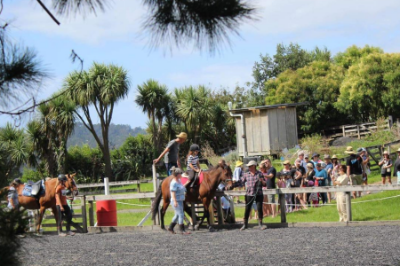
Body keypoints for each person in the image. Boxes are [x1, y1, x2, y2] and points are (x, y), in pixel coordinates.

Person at [240, 160, 266, 231]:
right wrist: (234, 183)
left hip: (259, 193)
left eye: (250, 166)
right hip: (249, 193)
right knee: (247, 209)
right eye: (248, 166)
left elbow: (265, 184)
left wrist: (262, 181)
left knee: (259, 208)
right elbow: (241, 181)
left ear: (254, 166)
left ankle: (260, 224)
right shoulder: (246, 174)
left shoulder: (260, 174)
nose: (249, 167)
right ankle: (245, 224)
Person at [167, 167, 190, 235]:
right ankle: (182, 230)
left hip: (180, 200)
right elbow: (173, 193)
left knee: (177, 215)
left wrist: (187, 183)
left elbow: (182, 188)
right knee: (181, 214)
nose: (181, 175)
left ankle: (171, 227)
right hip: (176, 200)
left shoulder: (179, 181)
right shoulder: (173, 183)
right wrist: (175, 201)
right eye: (180, 173)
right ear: (177, 175)